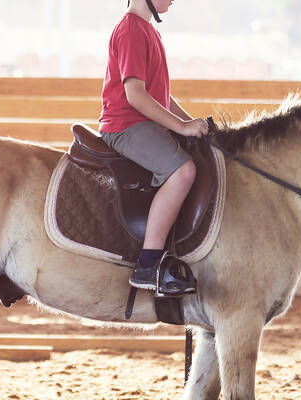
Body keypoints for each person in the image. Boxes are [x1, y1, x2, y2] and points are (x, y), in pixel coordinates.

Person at [99, 0, 208, 295]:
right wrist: (182, 127)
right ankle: (148, 265)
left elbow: (160, 97)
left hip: (143, 122)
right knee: (183, 171)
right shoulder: (131, 30)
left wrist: (191, 123)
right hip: (126, 125)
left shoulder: (147, 30)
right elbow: (135, 95)